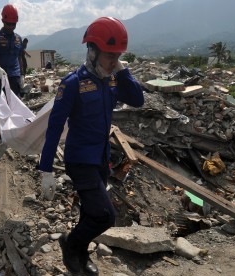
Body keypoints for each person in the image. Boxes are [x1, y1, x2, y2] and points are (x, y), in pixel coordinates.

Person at [37, 17, 144, 275]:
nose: (113, 61)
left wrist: (123, 70)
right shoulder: (73, 83)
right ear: (93, 51)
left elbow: (138, 100)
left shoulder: (112, 80)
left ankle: (80, 256)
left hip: (100, 158)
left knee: (89, 211)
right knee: (105, 215)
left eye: (117, 56)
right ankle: (70, 245)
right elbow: (54, 127)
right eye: (110, 56)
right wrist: (46, 170)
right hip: (79, 159)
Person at [0, 4, 24, 107]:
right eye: (9, 24)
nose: (11, 27)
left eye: (14, 24)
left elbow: (19, 57)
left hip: (14, 76)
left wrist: (21, 74)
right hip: (0, 76)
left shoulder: (18, 38)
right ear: (3, 21)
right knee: (0, 105)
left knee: (15, 104)